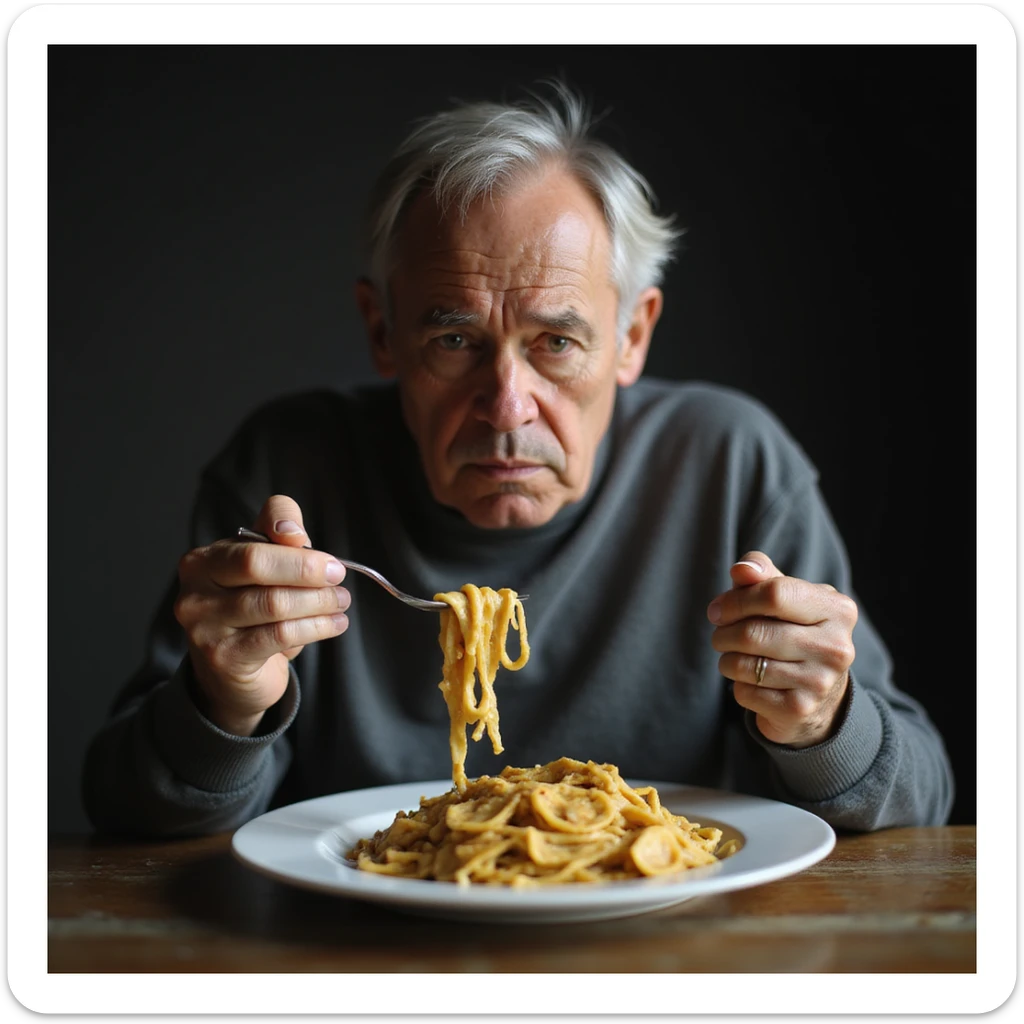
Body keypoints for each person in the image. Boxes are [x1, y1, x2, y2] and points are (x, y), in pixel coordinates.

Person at [82, 82, 954, 838]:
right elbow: (126, 811)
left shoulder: (730, 464)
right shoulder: (287, 473)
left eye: (557, 342)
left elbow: (921, 794)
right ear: (383, 331)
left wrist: (822, 722)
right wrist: (228, 697)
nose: (507, 404)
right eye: (456, 339)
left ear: (632, 333)